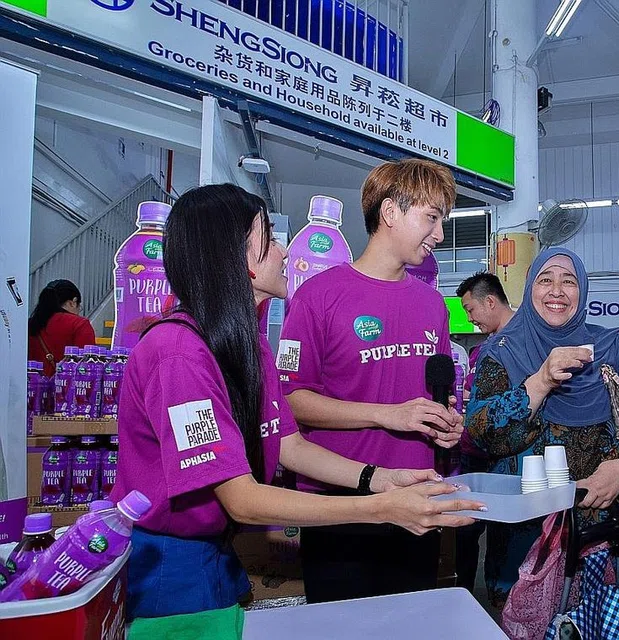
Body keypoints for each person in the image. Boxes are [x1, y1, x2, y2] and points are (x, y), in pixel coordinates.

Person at [110, 184, 482, 632]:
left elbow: (287, 444)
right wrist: (382, 506)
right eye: (268, 238)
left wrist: (379, 479)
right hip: (172, 567)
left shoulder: (246, 346)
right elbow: (243, 500)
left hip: (215, 554)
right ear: (236, 257)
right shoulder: (178, 354)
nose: (285, 251)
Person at [280, 159, 467, 604]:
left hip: (416, 503)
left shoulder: (432, 305)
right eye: (431, 217)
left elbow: (436, 395)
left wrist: (447, 425)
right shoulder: (317, 297)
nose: (439, 235)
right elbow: (293, 401)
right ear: (390, 212)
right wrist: (389, 416)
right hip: (339, 505)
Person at [466, 247, 619, 608]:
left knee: (612, 623)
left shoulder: (610, 347)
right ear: (529, 289)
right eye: (546, 280)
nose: (557, 291)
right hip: (531, 536)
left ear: (583, 290)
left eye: (568, 281)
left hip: (614, 522)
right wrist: (539, 382)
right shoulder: (502, 353)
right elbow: (482, 432)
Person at [454, 271, 515, 591]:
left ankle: (502, 593)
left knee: (507, 537)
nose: (469, 318)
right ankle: (461, 594)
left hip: (505, 461)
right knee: (464, 534)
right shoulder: (479, 351)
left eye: (469, 309)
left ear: (490, 302)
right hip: (472, 457)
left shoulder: (522, 345)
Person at [28, 279, 96, 376]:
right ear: (73, 302)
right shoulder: (79, 324)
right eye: (78, 306)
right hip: (65, 388)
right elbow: (87, 365)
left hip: (32, 387)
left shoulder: (30, 324)